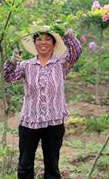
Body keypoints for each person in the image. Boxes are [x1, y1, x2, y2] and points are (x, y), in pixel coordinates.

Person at [4, 24, 82, 179]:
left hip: (54, 123)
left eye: (47, 39)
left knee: (52, 166)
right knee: (25, 166)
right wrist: (12, 62)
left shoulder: (61, 64)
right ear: (34, 43)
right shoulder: (26, 65)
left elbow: (76, 53)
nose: (43, 42)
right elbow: (8, 77)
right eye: (39, 39)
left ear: (54, 43)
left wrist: (68, 34)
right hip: (30, 122)